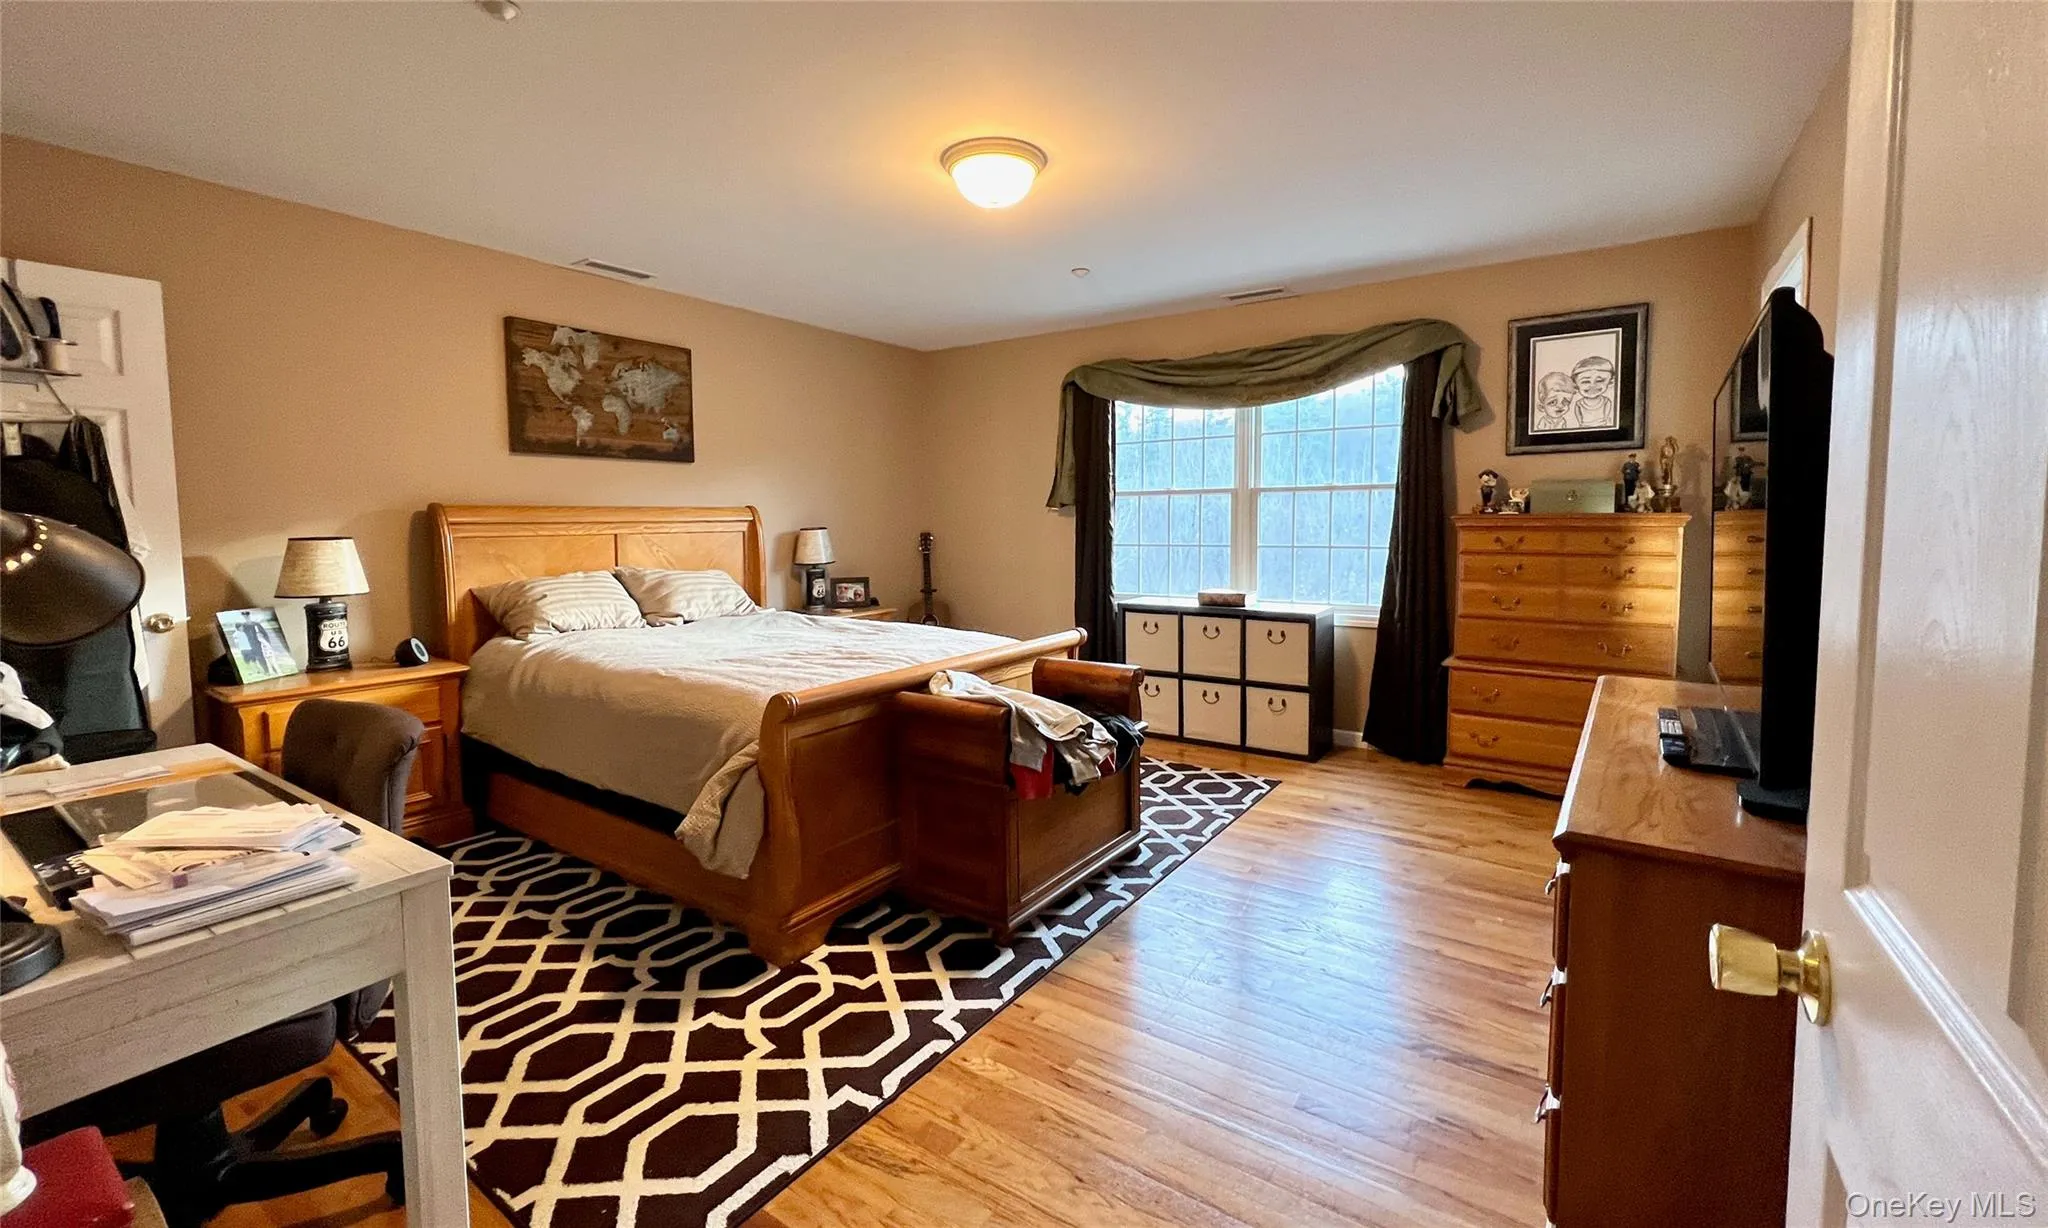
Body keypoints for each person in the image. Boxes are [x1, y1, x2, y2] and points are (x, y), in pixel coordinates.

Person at [1569, 355, 1617, 428]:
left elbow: (1607, 415)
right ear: (1575, 385)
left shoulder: (1606, 401)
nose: (1593, 385)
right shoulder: (1579, 403)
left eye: (1599, 381)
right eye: (1585, 381)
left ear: (1610, 382)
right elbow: (1579, 416)